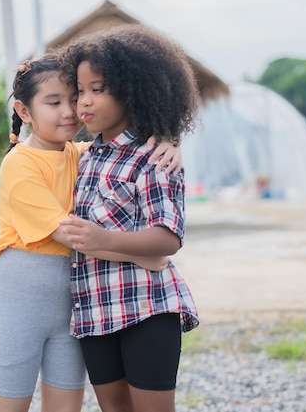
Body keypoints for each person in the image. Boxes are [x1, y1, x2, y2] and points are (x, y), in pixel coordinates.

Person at [0, 52, 182, 412]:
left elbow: (128, 151)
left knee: (65, 406)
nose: (70, 111)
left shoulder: (84, 154)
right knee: (9, 405)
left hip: (73, 302)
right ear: (25, 112)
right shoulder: (19, 164)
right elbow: (76, 236)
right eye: (53, 102)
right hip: (19, 302)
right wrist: (149, 257)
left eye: (73, 99)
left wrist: (167, 139)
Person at [58, 24, 200, 412]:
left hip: (146, 308)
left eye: (98, 89)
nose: (83, 102)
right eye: (80, 91)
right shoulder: (83, 156)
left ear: (133, 90)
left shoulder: (153, 158)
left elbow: (167, 237)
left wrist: (102, 240)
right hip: (94, 309)